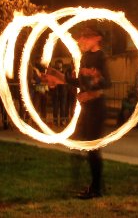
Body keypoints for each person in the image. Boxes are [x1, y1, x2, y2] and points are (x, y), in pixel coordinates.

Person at [43, 27, 110, 199]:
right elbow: (80, 82)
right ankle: (95, 184)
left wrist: (92, 91)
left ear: (96, 38)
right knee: (80, 147)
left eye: (84, 38)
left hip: (96, 108)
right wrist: (60, 78)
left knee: (92, 149)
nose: (80, 41)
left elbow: (106, 82)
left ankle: (96, 188)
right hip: (86, 108)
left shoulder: (101, 57)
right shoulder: (86, 57)